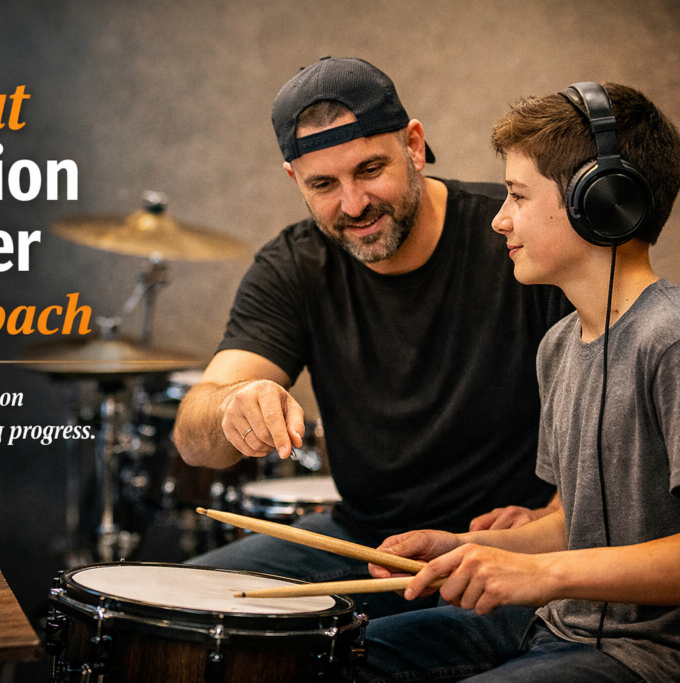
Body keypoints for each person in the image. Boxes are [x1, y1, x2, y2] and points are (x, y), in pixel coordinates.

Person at [361, 82, 680, 681]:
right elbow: (579, 523)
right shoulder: (561, 345)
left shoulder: (678, 343)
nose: (498, 218)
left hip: (665, 657)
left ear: (602, 202)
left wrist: (545, 576)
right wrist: (463, 547)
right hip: (562, 626)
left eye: (517, 195)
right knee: (352, 655)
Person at [172, 57, 570, 617]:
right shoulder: (293, 265)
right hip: (362, 541)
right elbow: (192, 438)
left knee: (358, 659)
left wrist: (553, 519)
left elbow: (608, 418)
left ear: (413, 144)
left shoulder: (514, 238)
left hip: (501, 555)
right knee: (171, 608)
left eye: (369, 170)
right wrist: (231, 408)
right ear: (295, 180)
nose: (353, 204)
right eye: (324, 184)